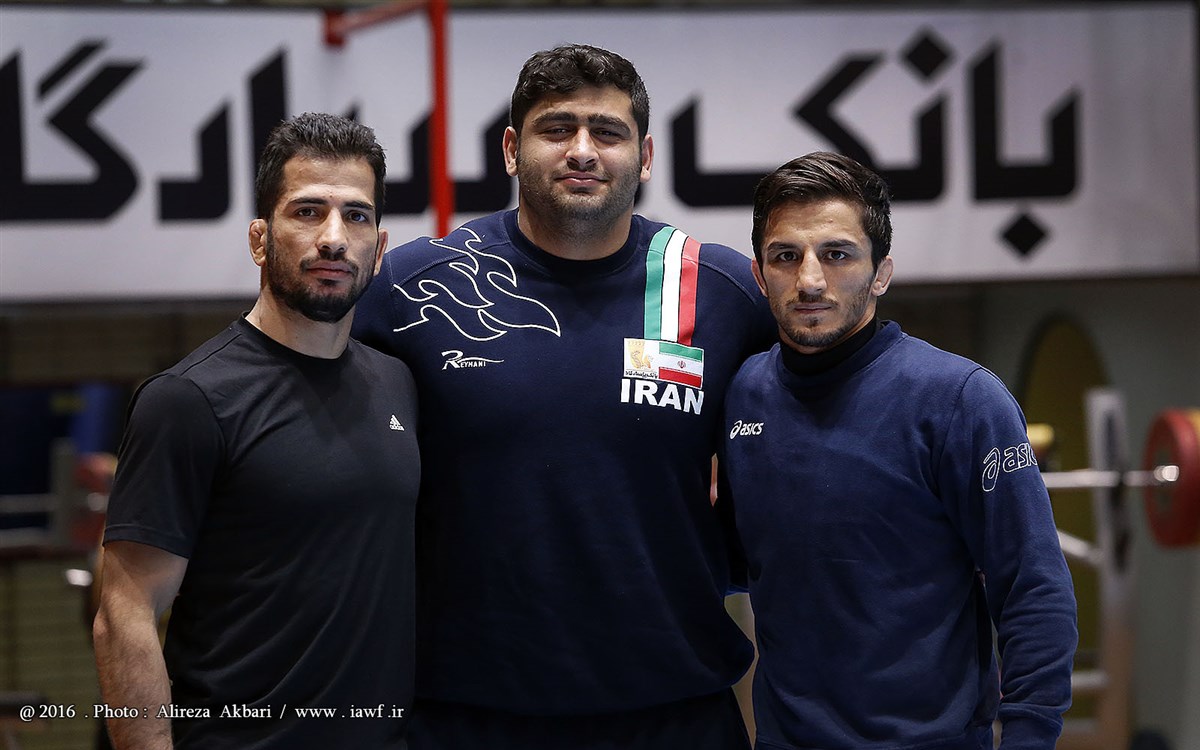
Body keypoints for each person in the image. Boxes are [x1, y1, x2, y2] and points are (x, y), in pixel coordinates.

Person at [352, 44, 775, 749]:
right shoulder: (415, 287)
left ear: (645, 156)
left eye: (607, 132)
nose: (582, 151)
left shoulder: (720, 290)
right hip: (460, 717)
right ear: (511, 150)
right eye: (556, 129)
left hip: (676, 714)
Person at [718, 151, 1077, 750]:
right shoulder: (744, 394)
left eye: (837, 254)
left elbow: (1033, 589)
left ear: (881, 272)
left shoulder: (961, 400)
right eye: (786, 256)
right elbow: (742, 562)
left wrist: (1029, 736)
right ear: (759, 275)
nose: (810, 280)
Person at [93, 112, 419, 750]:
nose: (334, 238)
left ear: (380, 249)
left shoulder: (398, 383)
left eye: (356, 216)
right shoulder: (188, 400)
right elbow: (124, 616)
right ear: (260, 239)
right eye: (307, 212)